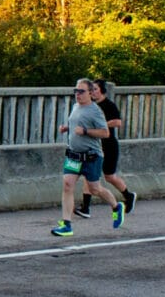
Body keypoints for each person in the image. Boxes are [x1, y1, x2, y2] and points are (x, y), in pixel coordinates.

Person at [52, 78, 124, 237]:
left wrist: (85, 131)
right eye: (75, 91)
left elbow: (105, 133)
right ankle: (67, 224)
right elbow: (76, 124)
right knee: (67, 185)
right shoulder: (75, 106)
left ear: (90, 93)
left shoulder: (96, 111)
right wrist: (67, 128)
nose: (77, 94)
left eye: (81, 91)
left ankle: (116, 206)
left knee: (95, 189)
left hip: (91, 156)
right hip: (73, 155)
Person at [74, 80, 136, 220]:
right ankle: (85, 207)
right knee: (88, 174)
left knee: (109, 176)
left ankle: (128, 195)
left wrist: (101, 125)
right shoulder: (91, 106)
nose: (92, 92)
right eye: (91, 89)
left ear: (101, 91)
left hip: (109, 145)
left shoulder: (109, 105)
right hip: (95, 146)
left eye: (95, 89)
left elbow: (118, 122)